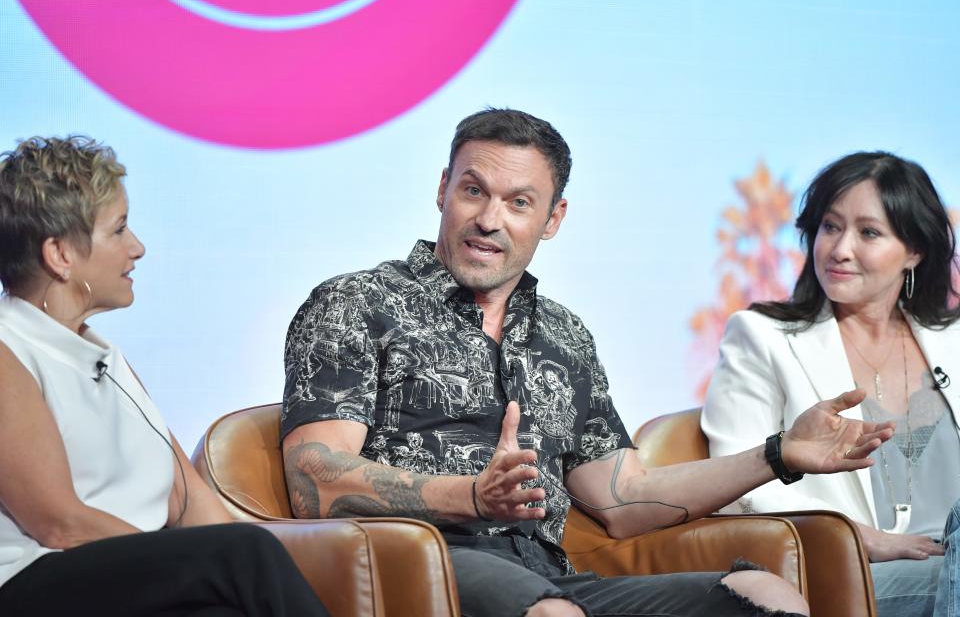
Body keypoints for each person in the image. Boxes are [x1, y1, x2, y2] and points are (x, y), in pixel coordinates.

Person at [281, 109, 893, 617]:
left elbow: (626, 500)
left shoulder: (563, 335)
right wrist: (472, 495)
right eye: (474, 191)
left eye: (519, 202)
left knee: (763, 595)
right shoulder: (358, 302)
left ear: (552, 220)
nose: (490, 219)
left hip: (553, 577)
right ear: (443, 188)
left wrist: (779, 453)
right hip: (425, 564)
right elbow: (315, 481)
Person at [0, 136, 331, 616]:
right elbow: (60, 525)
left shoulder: (102, 355)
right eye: (119, 230)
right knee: (245, 552)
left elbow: (189, 500)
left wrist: (205, 565)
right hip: (36, 582)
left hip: (124, 579)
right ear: (60, 255)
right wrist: (192, 561)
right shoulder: (10, 350)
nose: (137, 248)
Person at [701, 151, 960, 617]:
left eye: (868, 233)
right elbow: (736, 484)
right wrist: (865, 538)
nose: (840, 248)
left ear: (915, 250)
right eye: (830, 226)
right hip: (855, 568)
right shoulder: (762, 337)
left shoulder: (954, 340)